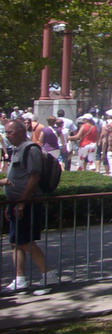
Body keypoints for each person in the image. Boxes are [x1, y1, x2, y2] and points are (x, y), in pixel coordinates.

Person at [2, 119, 58, 293]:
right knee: (16, 242)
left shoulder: (31, 149)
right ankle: (20, 279)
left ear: (19, 131)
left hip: (27, 204)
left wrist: (22, 202)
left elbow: (35, 177)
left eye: (9, 132)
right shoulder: (17, 150)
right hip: (16, 204)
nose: (7, 136)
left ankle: (49, 277)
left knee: (25, 242)